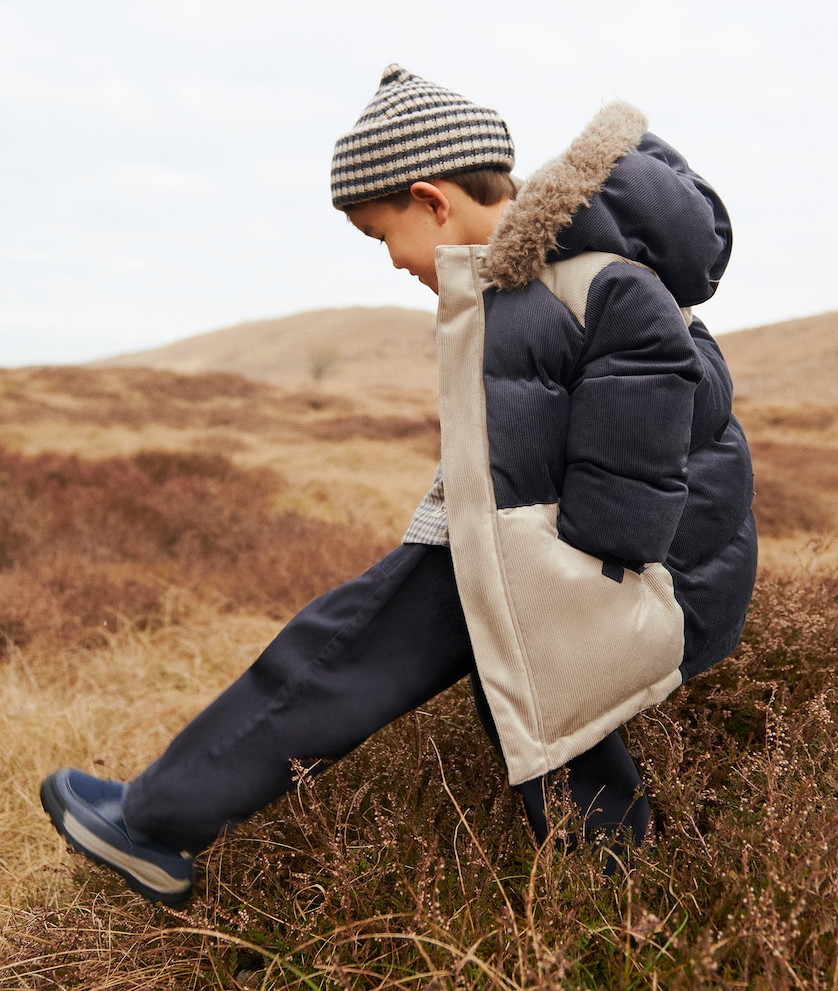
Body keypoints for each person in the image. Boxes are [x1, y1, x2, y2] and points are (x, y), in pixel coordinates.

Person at [41, 65, 757, 905]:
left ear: (432, 199)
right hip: (559, 557)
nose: (390, 263)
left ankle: (154, 825)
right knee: (529, 706)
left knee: (350, 647)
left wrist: (555, 566)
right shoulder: (524, 286)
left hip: (632, 574)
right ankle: (626, 909)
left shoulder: (592, 285)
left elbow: (635, 470)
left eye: (383, 235)